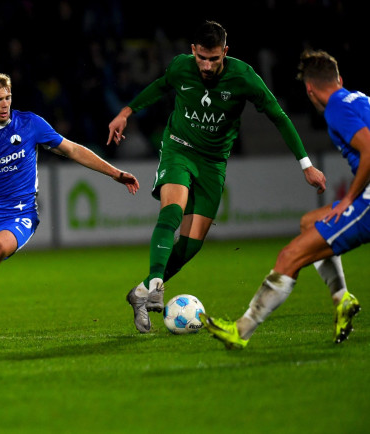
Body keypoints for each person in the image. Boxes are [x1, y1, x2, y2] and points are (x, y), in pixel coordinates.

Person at [106, 20, 327, 334]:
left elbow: (278, 115)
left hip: (213, 164)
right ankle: (156, 282)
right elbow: (160, 86)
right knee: (173, 210)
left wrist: (306, 164)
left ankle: (140, 293)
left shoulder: (244, 77)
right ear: (193, 51)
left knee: (192, 246)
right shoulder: (182, 67)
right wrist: (126, 112)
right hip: (179, 150)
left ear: (225, 51)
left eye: (214, 59)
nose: (207, 66)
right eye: (202, 58)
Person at [0, 71, 140, 342]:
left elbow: (72, 150)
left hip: (19, 214)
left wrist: (115, 173)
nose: (5, 104)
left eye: (8, 97)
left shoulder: (30, 124)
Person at [200, 49, 368, 349]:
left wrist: (348, 199)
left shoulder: (336, 108)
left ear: (309, 89)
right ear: (339, 78)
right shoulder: (359, 99)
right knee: (310, 222)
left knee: (289, 257)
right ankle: (342, 299)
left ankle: (242, 330)